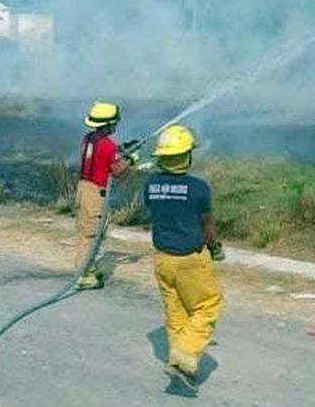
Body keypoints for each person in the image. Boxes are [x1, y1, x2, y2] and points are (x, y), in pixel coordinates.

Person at [143, 125, 224, 393]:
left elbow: (154, 208)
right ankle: (184, 360)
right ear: (187, 156)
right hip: (191, 260)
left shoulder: (151, 183)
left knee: (176, 313)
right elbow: (207, 224)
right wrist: (215, 247)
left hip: (163, 260)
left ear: (162, 156)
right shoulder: (199, 188)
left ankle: (179, 365)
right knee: (207, 305)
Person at [74, 101, 137, 290]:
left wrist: (124, 148)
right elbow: (117, 171)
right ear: (108, 124)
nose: (116, 126)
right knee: (91, 235)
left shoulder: (88, 138)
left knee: (91, 232)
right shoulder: (108, 145)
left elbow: (104, 156)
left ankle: (88, 268)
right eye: (114, 123)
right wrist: (131, 159)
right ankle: (84, 275)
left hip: (83, 189)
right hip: (95, 193)